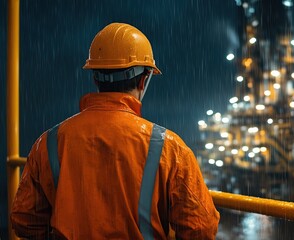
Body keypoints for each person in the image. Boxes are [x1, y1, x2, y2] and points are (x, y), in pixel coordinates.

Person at [11, 22, 220, 240]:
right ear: (144, 80)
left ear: (95, 77)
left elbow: (25, 220)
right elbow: (201, 228)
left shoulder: (48, 142)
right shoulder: (169, 147)